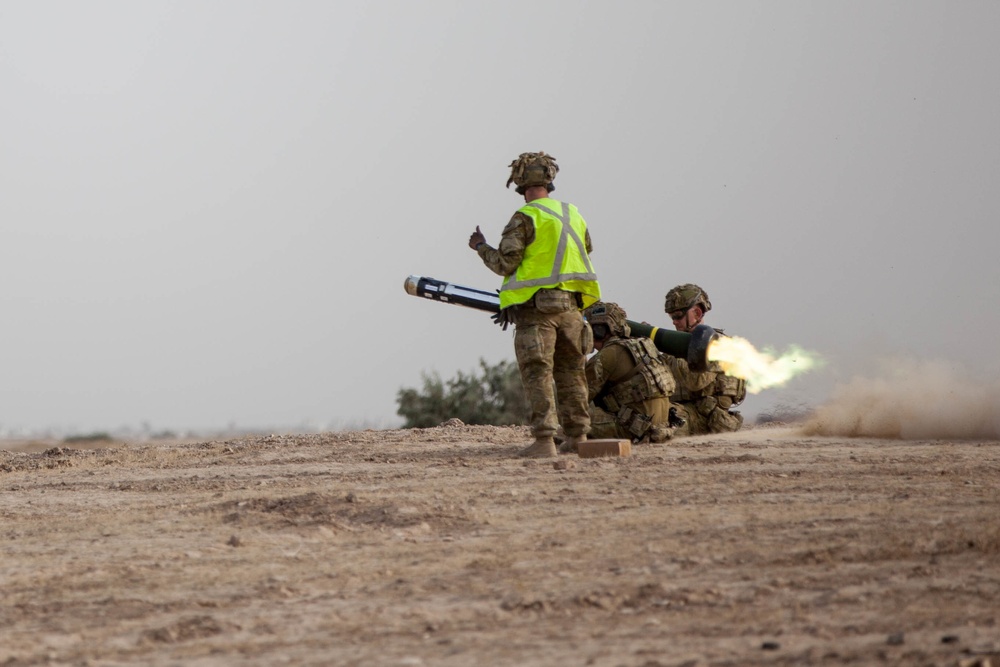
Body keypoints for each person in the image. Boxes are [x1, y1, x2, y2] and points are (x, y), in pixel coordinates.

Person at [468, 151, 600, 458]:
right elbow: (586, 248)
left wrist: (480, 247)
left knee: (538, 373)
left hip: (538, 312)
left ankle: (544, 441)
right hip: (572, 309)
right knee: (572, 373)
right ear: (550, 179)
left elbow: (505, 263)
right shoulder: (572, 213)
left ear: (518, 182)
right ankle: (578, 436)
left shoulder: (525, 217)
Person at [572, 301, 677, 451]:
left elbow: (578, 397)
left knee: (573, 419)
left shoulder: (608, 355)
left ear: (599, 330)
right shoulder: (646, 345)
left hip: (636, 429)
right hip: (662, 426)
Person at [663, 284, 746, 435]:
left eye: (678, 316)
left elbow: (695, 381)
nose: (674, 322)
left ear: (697, 313)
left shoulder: (717, 346)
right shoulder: (678, 346)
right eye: (671, 317)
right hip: (682, 411)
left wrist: (670, 352)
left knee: (659, 423)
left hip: (706, 418)